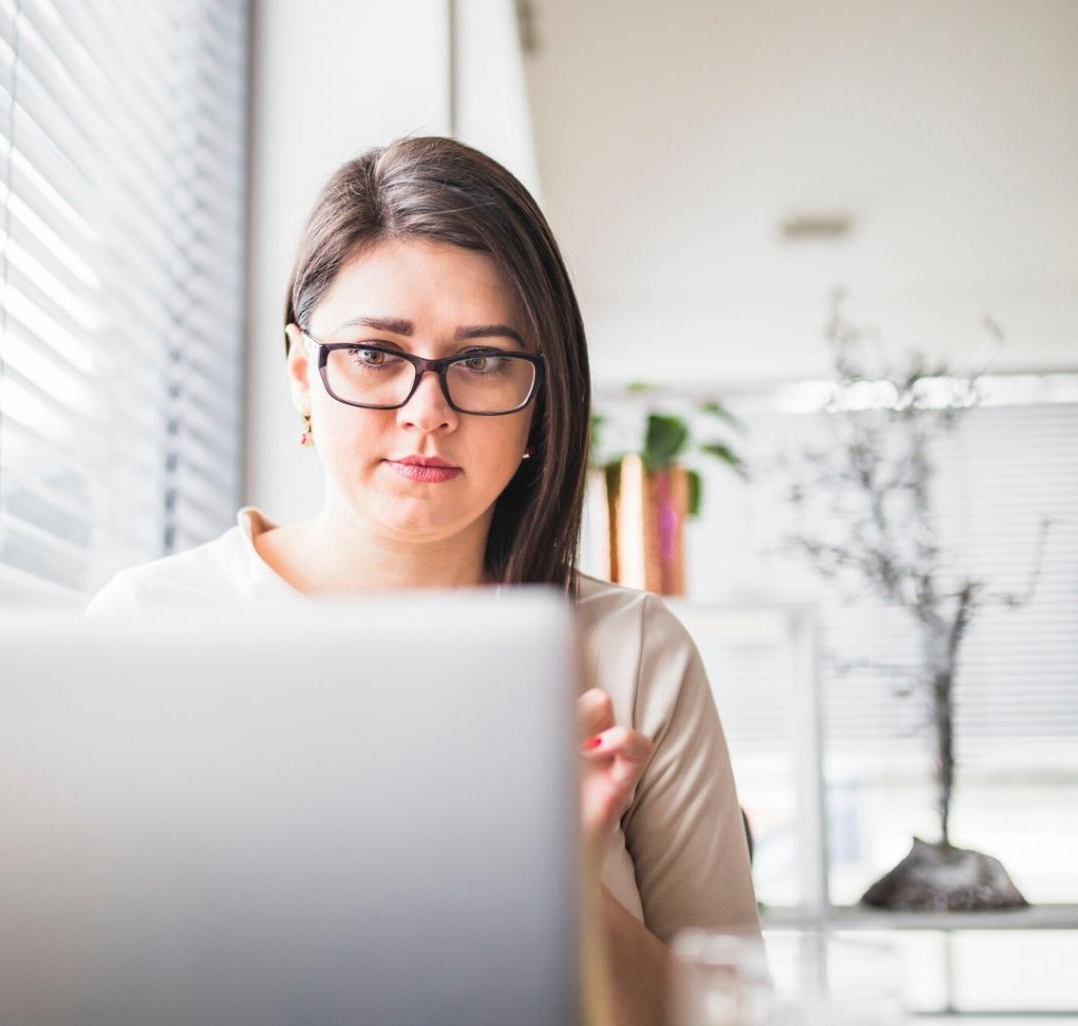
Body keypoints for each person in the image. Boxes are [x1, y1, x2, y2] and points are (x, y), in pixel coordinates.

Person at [84, 135, 760, 1024]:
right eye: (374, 353)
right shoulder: (151, 626)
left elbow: (729, 1014)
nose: (426, 412)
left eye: (481, 360)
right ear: (301, 374)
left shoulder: (633, 651)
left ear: (539, 399)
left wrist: (556, 876)